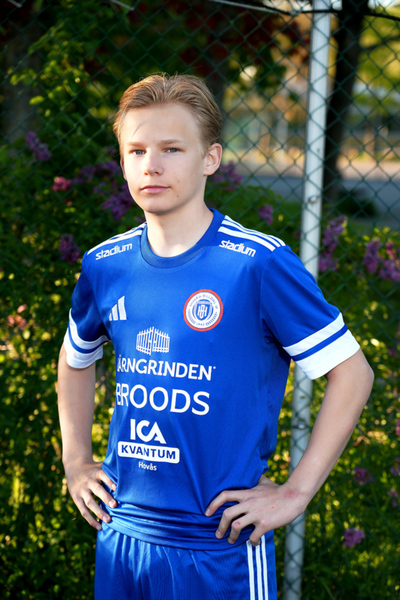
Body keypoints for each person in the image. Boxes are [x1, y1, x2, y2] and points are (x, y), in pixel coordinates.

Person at [57, 73, 374, 600]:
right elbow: (75, 360)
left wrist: (296, 492)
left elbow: (352, 373)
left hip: (219, 545)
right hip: (122, 535)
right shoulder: (104, 265)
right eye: (136, 150)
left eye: (172, 149)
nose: (151, 165)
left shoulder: (257, 264)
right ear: (123, 162)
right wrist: (75, 460)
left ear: (210, 158)